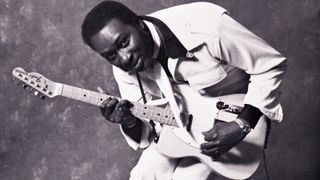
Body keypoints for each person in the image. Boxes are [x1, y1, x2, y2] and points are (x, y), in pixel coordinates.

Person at [81, 1, 287, 179]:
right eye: (111, 55)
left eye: (124, 42)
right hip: (179, 129)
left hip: (237, 114)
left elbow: (269, 65)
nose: (124, 58)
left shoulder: (206, 25)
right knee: (141, 175)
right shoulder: (124, 68)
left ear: (139, 24)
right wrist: (129, 121)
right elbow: (147, 131)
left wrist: (242, 123)